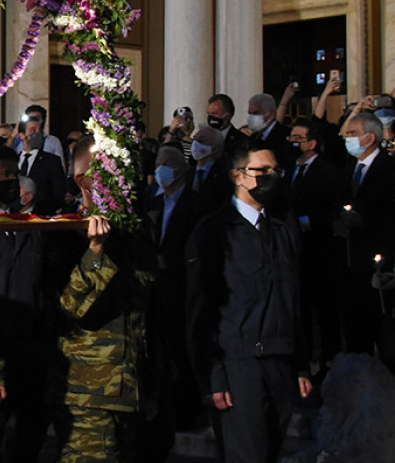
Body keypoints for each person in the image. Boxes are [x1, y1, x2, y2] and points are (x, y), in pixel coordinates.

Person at [186, 141, 312, 463]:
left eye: (276, 171)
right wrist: (214, 376)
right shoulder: (214, 231)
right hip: (238, 363)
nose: (271, 178)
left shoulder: (282, 227)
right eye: (262, 171)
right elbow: (203, 309)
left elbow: (294, 297)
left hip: (279, 359)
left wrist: (299, 364)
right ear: (238, 176)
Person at [47, 137, 153, 462]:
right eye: (107, 170)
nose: (120, 178)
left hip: (135, 386)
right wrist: (95, 252)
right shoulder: (64, 230)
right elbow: (71, 307)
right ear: (83, 179)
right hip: (89, 395)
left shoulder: (136, 228)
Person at [0, 145, 50, 463]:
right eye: (4, 176)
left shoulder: (29, 223)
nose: (11, 183)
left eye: (15, 176)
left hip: (31, 350)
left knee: (30, 438)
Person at [145, 146, 204, 432]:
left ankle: (188, 409)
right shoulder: (153, 202)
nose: (159, 170)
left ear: (179, 169)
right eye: (157, 164)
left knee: (183, 351)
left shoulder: (195, 204)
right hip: (157, 289)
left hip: (182, 288)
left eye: (165, 165)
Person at [335, 111, 395, 365]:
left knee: (385, 337)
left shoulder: (390, 169)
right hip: (350, 264)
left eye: (352, 134)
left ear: (370, 137)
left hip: (380, 267)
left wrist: (365, 222)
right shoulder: (348, 170)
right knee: (355, 335)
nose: (347, 139)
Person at [286, 120, 345, 373]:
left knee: (323, 309)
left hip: (319, 251)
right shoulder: (286, 170)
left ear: (312, 143)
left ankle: (327, 361)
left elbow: (333, 210)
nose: (293, 142)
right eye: (291, 137)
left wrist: (309, 222)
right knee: (299, 311)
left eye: (298, 138)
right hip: (292, 251)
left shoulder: (328, 172)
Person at [17, 119, 66, 215]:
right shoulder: (13, 160)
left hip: (41, 215)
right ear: (22, 135)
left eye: (40, 131)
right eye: (32, 130)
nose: (37, 134)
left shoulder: (51, 160)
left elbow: (58, 191)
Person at [188, 125, 234, 216]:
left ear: (214, 148)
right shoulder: (187, 174)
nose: (195, 144)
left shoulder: (225, 176)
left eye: (201, 140)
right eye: (194, 139)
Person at [247, 93, 293, 170]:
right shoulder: (252, 139)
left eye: (255, 113)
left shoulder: (287, 135)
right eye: (250, 113)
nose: (251, 117)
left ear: (271, 115)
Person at [206, 94, 248, 159]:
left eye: (214, 113)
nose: (210, 117)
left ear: (228, 116)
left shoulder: (242, 141)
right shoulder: (202, 139)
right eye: (208, 113)